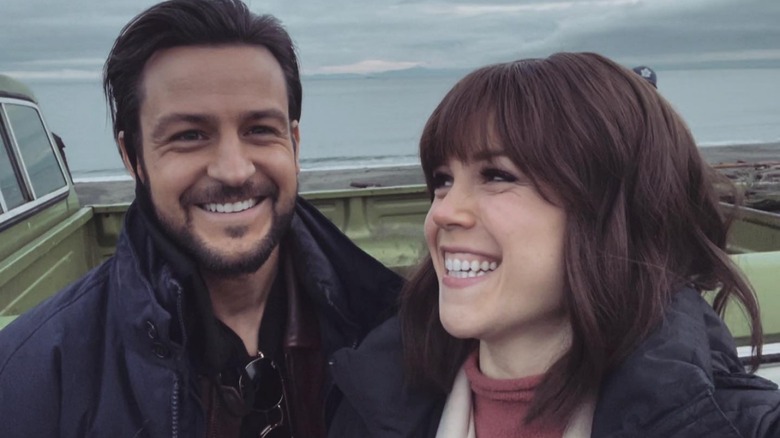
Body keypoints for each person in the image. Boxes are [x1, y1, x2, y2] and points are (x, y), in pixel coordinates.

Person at [0, 1, 402, 437]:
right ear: (132, 156)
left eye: (259, 129)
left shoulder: (395, 327)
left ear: (295, 142)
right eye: (190, 136)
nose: (234, 170)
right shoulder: (32, 377)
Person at [328, 52, 780, 437]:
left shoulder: (732, 426)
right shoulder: (370, 403)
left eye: (498, 176)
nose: (442, 212)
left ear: (613, 212)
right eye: (443, 181)